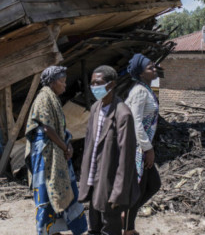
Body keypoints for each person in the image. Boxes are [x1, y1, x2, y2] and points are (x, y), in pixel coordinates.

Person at [25, 66, 88, 235]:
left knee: (60, 190)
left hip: (55, 151)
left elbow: (59, 129)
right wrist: (64, 146)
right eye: (62, 81)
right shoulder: (44, 98)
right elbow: (47, 128)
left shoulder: (52, 98)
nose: (65, 85)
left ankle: (54, 229)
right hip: (46, 156)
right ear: (52, 82)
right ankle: (47, 229)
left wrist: (68, 145)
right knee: (47, 192)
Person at [79, 65, 139, 235]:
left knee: (109, 228)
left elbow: (126, 159)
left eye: (98, 83)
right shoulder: (95, 109)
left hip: (110, 185)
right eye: (92, 83)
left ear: (111, 85)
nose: (94, 87)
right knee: (94, 227)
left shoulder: (122, 114)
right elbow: (89, 147)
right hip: (94, 181)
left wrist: (118, 193)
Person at [123, 54, 162, 235]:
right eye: (150, 68)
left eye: (154, 67)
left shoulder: (146, 89)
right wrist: (148, 148)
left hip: (142, 146)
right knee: (139, 189)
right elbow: (136, 122)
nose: (154, 70)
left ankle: (126, 217)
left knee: (153, 184)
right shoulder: (139, 91)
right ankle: (128, 229)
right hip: (138, 147)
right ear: (140, 73)